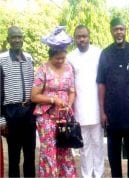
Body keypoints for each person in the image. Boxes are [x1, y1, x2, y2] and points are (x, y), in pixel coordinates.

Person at [96, 17, 129, 177]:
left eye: (121, 29)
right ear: (111, 31)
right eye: (116, 29)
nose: (119, 32)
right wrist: (102, 112)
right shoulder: (105, 54)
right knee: (114, 157)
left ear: (125, 30)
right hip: (112, 114)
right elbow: (101, 83)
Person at [31, 26, 77, 177]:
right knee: (49, 151)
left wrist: (68, 105)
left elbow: (72, 91)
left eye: (63, 58)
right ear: (50, 56)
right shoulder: (42, 70)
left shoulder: (69, 68)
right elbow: (34, 96)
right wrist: (53, 100)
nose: (61, 61)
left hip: (63, 118)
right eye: (57, 58)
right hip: (46, 118)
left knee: (64, 149)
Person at [68, 24, 104, 178]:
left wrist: (104, 110)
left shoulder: (99, 53)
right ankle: (87, 175)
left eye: (84, 36)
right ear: (74, 38)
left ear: (89, 37)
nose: (81, 39)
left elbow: (103, 81)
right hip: (80, 109)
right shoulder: (70, 57)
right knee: (84, 147)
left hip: (97, 109)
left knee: (98, 145)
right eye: (78, 36)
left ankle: (99, 174)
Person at [0, 26, 36, 177]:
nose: (17, 40)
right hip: (11, 113)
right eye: (13, 37)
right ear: (8, 40)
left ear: (23, 39)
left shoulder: (29, 58)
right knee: (14, 157)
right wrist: (1, 119)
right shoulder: (1, 60)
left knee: (30, 155)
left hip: (29, 112)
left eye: (19, 37)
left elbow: (34, 84)